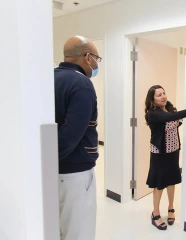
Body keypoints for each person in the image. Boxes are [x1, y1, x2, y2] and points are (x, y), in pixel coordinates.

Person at [145, 85, 186, 230]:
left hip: (173, 150)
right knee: (159, 183)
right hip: (159, 153)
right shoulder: (153, 113)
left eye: (164, 93)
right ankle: (155, 213)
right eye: (159, 95)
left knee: (171, 180)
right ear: (152, 99)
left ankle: (170, 208)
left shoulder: (169, 107)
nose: (163, 96)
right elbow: (172, 117)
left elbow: (175, 121)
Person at [55, 35, 102, 240]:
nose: (96, 64)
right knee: (78, 232)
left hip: (52, 173)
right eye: (97, 59)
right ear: (87, 57)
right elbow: (71, 134)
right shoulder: (81, 83)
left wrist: (49, 163)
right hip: (75, 174)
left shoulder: (50, 78)